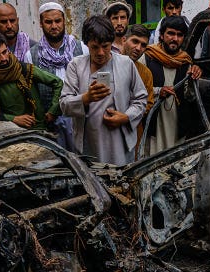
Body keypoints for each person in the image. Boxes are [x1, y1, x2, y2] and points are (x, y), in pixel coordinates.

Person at [60, 15, 147, 165]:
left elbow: (141, 99)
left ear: (112, 43)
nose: (100, 52)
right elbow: (64, 104)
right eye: (94, 47)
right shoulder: (76, 65)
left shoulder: (126, 64)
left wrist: (125, 117)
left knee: (121, 184)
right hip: (88, 145)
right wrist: (86, 98)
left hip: (119, 145)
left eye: (105, 46)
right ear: (86, 44)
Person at [29, 1, 88, 151]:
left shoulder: (81, 48)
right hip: (51, 123)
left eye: (57, 21)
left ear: (64, 21)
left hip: (79, 119)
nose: (54, 26)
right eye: (48, 22)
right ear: (41, 24)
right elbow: (32, 92)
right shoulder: (31, 55)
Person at [142, 15, 202, 154]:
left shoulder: (186, 61)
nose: (175, 38)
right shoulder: (147, 57)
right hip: (154, 124)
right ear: (162, 35)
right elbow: (137, 91)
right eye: (170, 33)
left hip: (177, 123)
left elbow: (190, 96)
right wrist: (158, 92)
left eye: (179, 35)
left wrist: (194, 78)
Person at [0, 32, 63, 130]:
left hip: (38, 129)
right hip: (9, 132)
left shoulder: (24, 70)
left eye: (4, 52)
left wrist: (53, 111)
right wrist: (13, 119)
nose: (3, 58)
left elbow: (58, 83)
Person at [122, 24, 154, 157]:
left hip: (133, 129)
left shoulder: (145, 73)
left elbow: (148, 103)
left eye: (143, 45)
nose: (138, 48)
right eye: (135, 41)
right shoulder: (107, 63)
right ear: (124, 40)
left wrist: (127, 115)